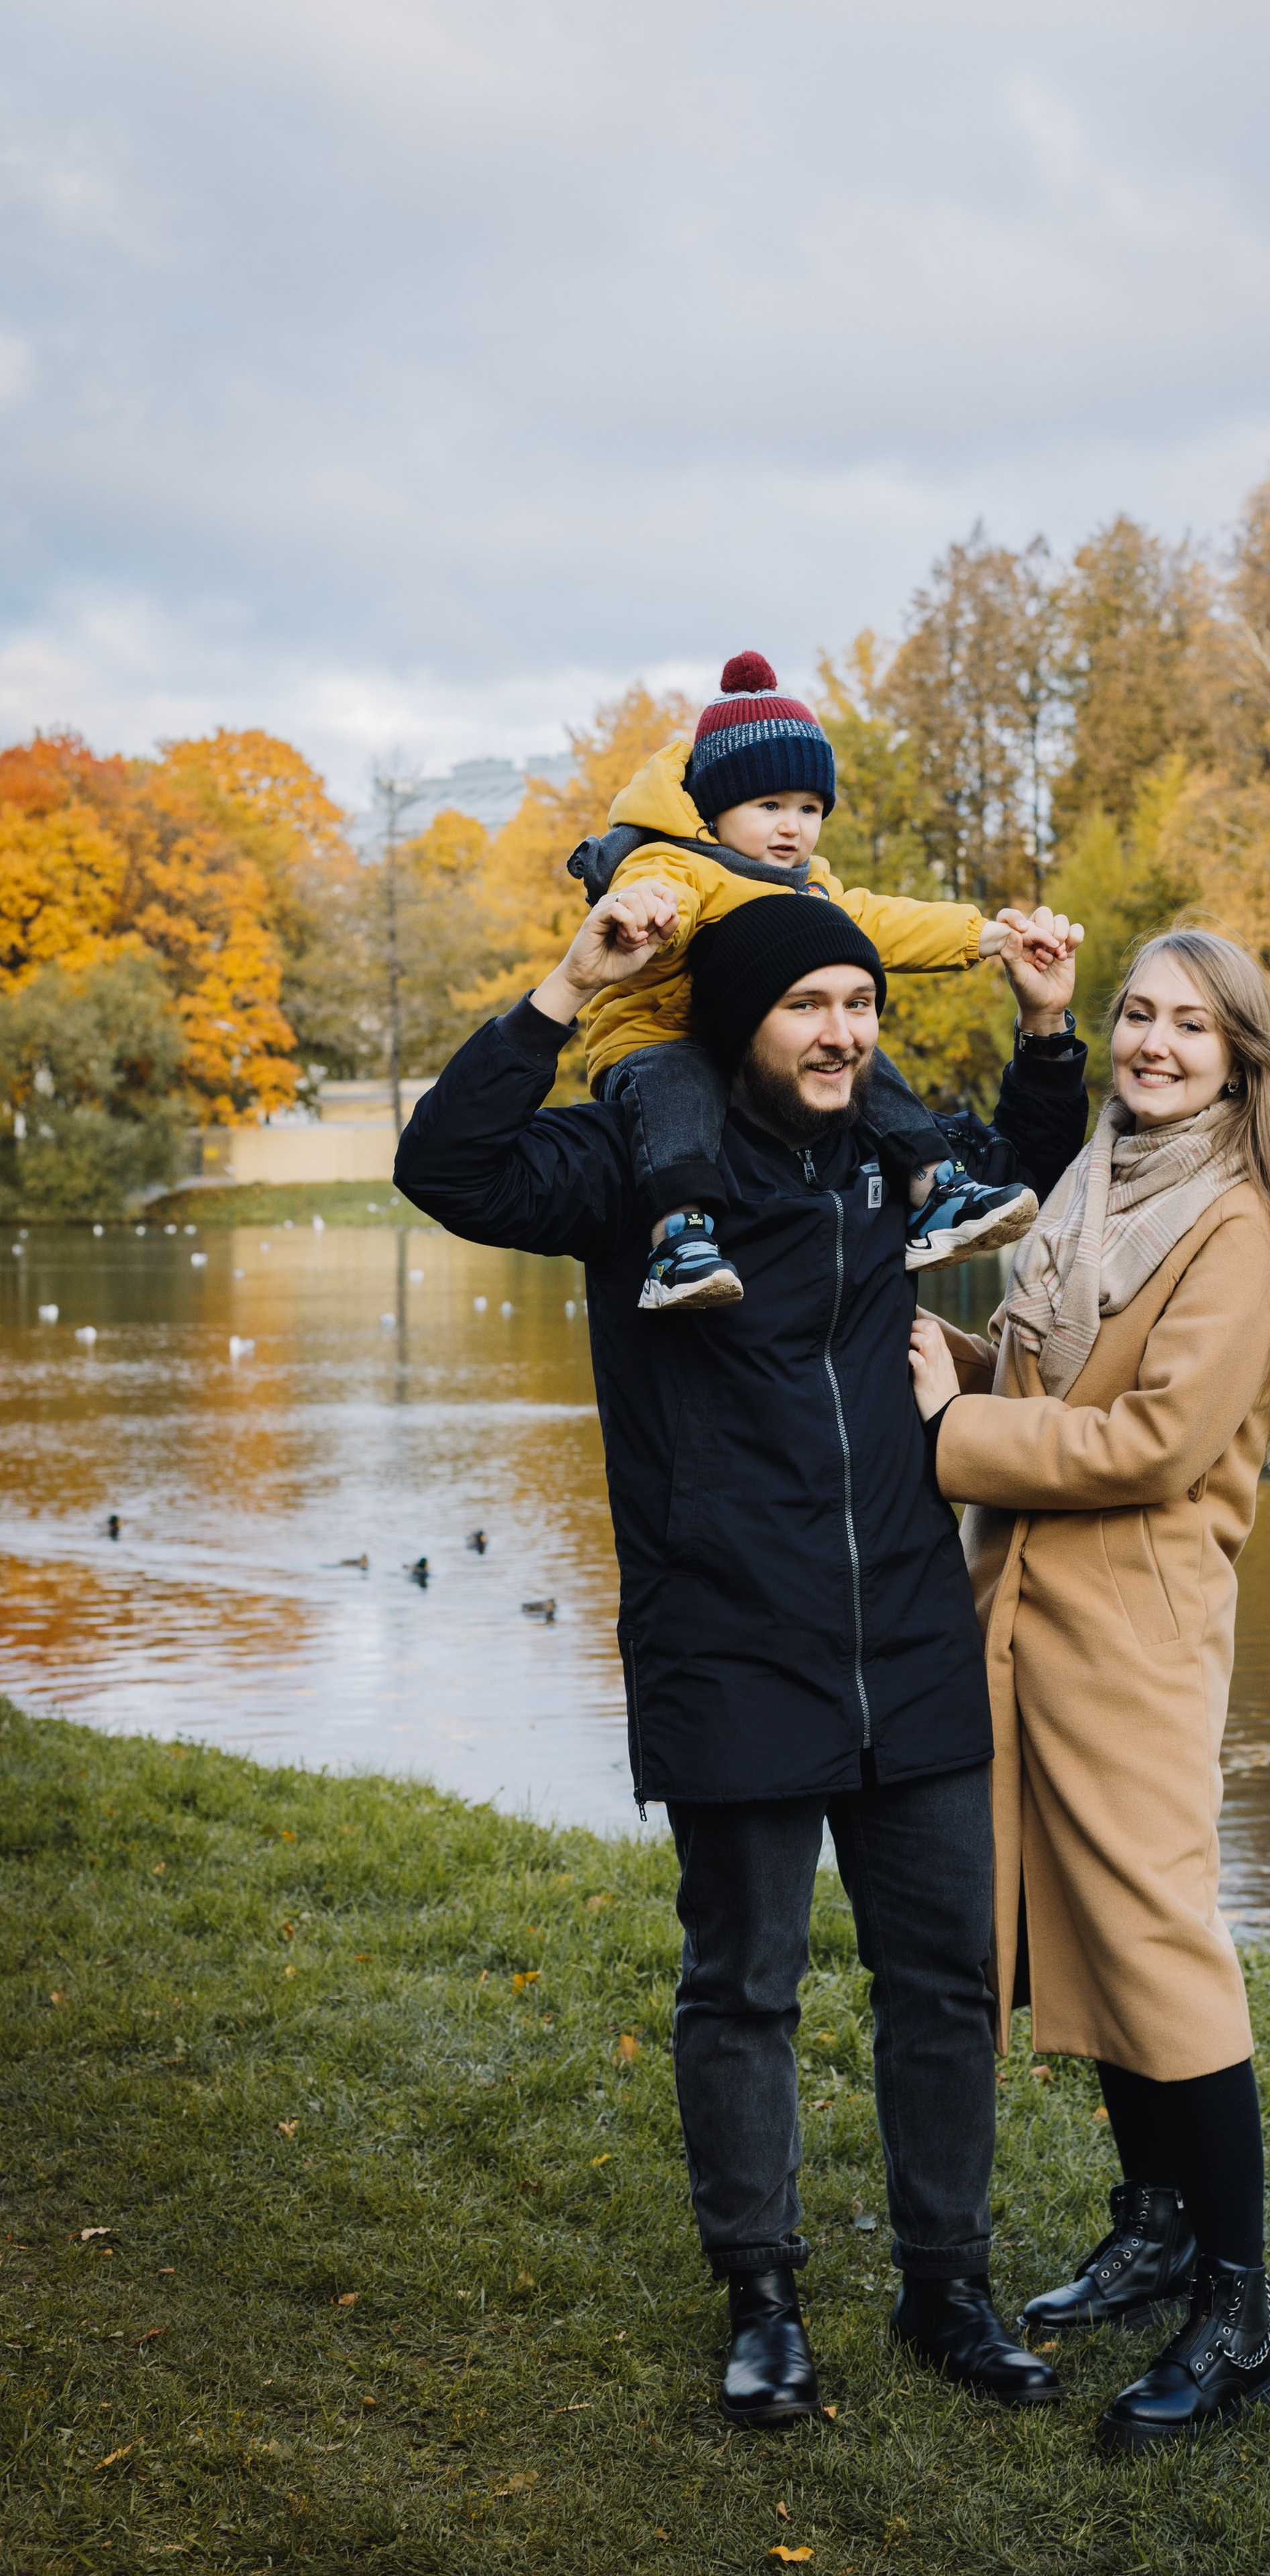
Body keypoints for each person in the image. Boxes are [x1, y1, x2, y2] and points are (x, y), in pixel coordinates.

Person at [394, 885, 1090, 2426]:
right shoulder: (637, 1165)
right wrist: (568, 983)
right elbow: (445, 1165)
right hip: (728, 1639)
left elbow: (1038, 1173)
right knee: (742, 1985)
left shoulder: (887, 1162)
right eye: (806, 1006)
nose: (840, 1031)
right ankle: (761, 2295)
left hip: (906, 1636)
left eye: (857, 1001)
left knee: (939, 1983)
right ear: (741, 1020)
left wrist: (1046, 1025)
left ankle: (945, 2283)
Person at [906, 926, 1270, 2452]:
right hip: (1024, 1613)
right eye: (1137, 1013)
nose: (1151, 1043)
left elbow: (1146, 1444)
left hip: (1132, 1635)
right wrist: (944, 1357)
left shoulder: (1234, 1227)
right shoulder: (1092, 1184)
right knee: (1079, 1930)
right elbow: (1047, 1393)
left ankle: (1235, 2314)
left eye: (1187, 1026)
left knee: (1157, 1945)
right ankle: (1149, 2228)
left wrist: (948, 1433)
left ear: (1238, 1060)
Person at [574, 651, 1053, 1311]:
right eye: (769, 805)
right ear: (715, 809)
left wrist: (989, 936)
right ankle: (678, 1241)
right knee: (673, 1091)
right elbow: (660, 894)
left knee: (856, 1054)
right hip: (659, 1037)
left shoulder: (810, 886)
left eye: (808, 808)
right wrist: (652, 917)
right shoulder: (678, 862)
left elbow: (881, 922)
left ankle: (936, 1189)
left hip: (760, 1048)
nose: (790, 827)